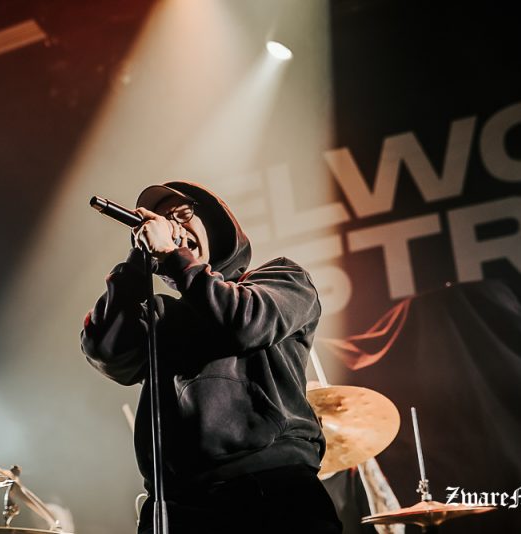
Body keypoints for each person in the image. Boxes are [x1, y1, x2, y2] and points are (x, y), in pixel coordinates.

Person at [81, 181, 342, 533]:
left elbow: (245, 324)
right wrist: (135, 268)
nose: (171, 226)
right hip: (177, 504)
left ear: (216, 225)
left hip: (272, 488)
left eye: (181, 214)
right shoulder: (163, 315)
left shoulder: (282, 279)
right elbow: (107, 352)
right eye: (162, 220)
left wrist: (174, 257)